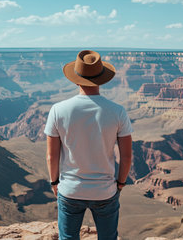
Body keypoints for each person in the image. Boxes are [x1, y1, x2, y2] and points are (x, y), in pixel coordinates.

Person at [44, 50, 133, 240]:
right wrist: (120, 183)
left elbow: (51, 156)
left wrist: (54, 182)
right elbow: (126, 157)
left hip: (70, 190)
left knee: (68, 237)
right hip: (105, 191)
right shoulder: (118, 112)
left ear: (76, 79)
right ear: (101, 79)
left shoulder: (58, 110)